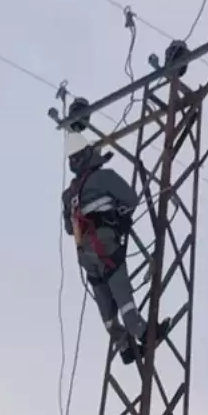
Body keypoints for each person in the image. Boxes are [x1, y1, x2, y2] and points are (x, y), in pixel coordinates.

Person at [62, 140, 147, 362]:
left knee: (103, 297)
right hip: (104, 244)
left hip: (85, 254)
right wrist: (118, 217)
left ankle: (124, 347)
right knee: (120, 290)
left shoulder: (68, 195)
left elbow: (70, 229)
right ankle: (143, 333)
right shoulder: (105, 177)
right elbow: (130, 199)